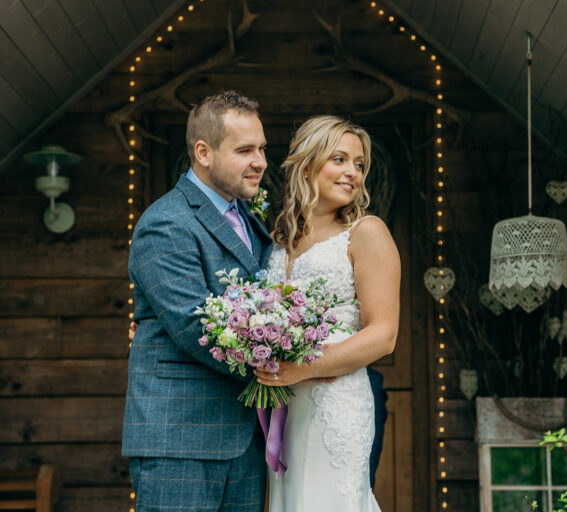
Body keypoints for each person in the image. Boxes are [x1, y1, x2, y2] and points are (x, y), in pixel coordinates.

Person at [122, 91, 273, 512]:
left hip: (244, 438)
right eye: (245, 150)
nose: (260, 161)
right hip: (181, 437)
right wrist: (286, 363)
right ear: (203, 152)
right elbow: (196, 326)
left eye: (261, 148)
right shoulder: (166, 222)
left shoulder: (248, 216)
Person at [254, 115, 401, 511]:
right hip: (284, 408)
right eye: (340, 159)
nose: (352, 172)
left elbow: (384, 334)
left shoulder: (367, 233)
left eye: (359, 164)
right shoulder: (279, 240)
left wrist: (306, 367)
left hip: (336, 403)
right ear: (308, 163)